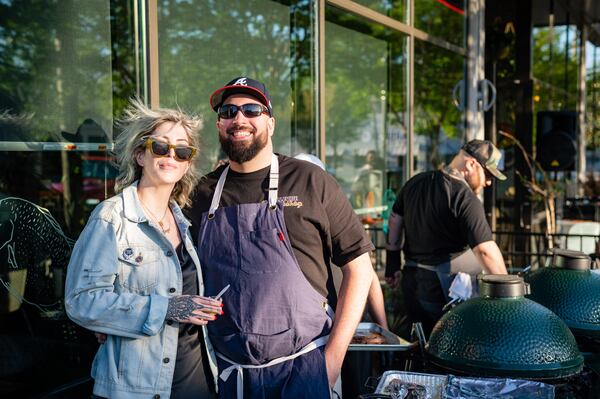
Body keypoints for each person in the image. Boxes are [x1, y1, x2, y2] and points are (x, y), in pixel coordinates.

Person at [186, 77, 375, 398]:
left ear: (270, 123)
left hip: (305, 370)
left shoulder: (311, 181)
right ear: (219, 125)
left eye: (251, 110)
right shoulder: (202, 192)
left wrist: (331, 361)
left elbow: (360, 268)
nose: (239, 119)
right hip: (229, 376)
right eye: (229, 111)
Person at [64, 100, 223, 399]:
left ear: (188, 161)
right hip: (138, 389)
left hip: (198, 381)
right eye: (160, 147)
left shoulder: (185, 221)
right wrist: (167, 307)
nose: (171, 156)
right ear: (140, 154)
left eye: (182, 150)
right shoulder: (111, 218)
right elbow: (81, 300)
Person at [385, 139, 508, 337]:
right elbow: (485, 250)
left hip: (412, 281)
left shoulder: (415, 182)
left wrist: (392, 263)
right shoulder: (465, 197)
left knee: (418, 342)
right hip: (444, 292)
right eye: (487, 174)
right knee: (447, 347)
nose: (488, 182)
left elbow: (394, 220)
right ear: (471, 164)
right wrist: (509, 292)